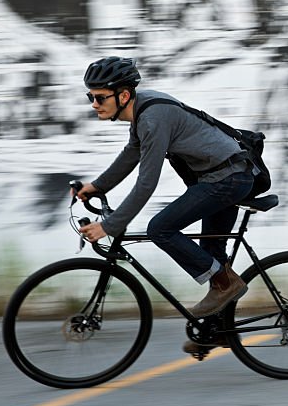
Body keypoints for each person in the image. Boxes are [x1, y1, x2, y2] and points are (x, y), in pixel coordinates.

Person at [73, 56, 253, 353]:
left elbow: (147, 182)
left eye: (99, 97)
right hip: (223, 176)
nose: (93, 103)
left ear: (124, 95)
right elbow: (132, 153)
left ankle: (226, 284)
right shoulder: (143, 110)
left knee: (160, 228)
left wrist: (110, 225)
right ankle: (219, 329)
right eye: (90, 96)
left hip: (227, 179)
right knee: (210, 254)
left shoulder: (152, 119)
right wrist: (97, 186)